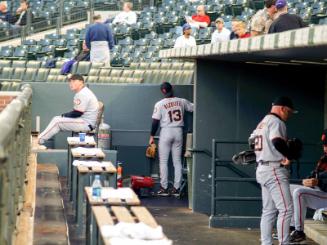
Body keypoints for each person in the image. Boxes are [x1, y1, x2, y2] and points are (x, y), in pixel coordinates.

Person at [249, 96, 297, 245]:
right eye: (289, 112)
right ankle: (284, 242)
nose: (289, 116)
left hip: (262, 168)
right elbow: (276, 141)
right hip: (274, 169)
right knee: (286, 210)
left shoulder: (262, 122)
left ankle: (266, 243)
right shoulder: (276, 121)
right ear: (282, 108)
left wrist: (264, 153)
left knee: (269, 211)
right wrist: (289, 155)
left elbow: (251, 142)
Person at [149, 82, 194, 196]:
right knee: (177, 161)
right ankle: (176, 188)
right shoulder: (182, 101)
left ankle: (164, 188)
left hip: (166, 131)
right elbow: (194, 108)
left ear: (162, 91)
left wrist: (151, 136)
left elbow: (155, 122)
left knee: (163, 162)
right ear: (171, 89)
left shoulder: (160, 104)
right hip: (178, 131)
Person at [289, 130, 327, 244]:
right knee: (288, 189)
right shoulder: (324, 158)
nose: (324, 148)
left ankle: (299, 232)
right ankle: (291, 228)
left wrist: (318, 182)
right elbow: (314, 174)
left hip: (325, 194)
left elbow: (321, 180)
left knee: (299, 193)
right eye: (324, 145)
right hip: (320, 192)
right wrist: (307, 180)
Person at [38, 74, 98, 145]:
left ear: (81, 82)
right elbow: (77, 113)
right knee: (57, 119)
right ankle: (40, 140)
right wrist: (64, 116)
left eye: (74, 81)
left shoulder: (82, 94)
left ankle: (38, 141)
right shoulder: (84, 91)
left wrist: (64, 115)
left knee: (57, 121)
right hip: (86, 121)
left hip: (86, 123)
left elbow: (77, 113)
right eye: (70, 82)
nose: (71, 84)